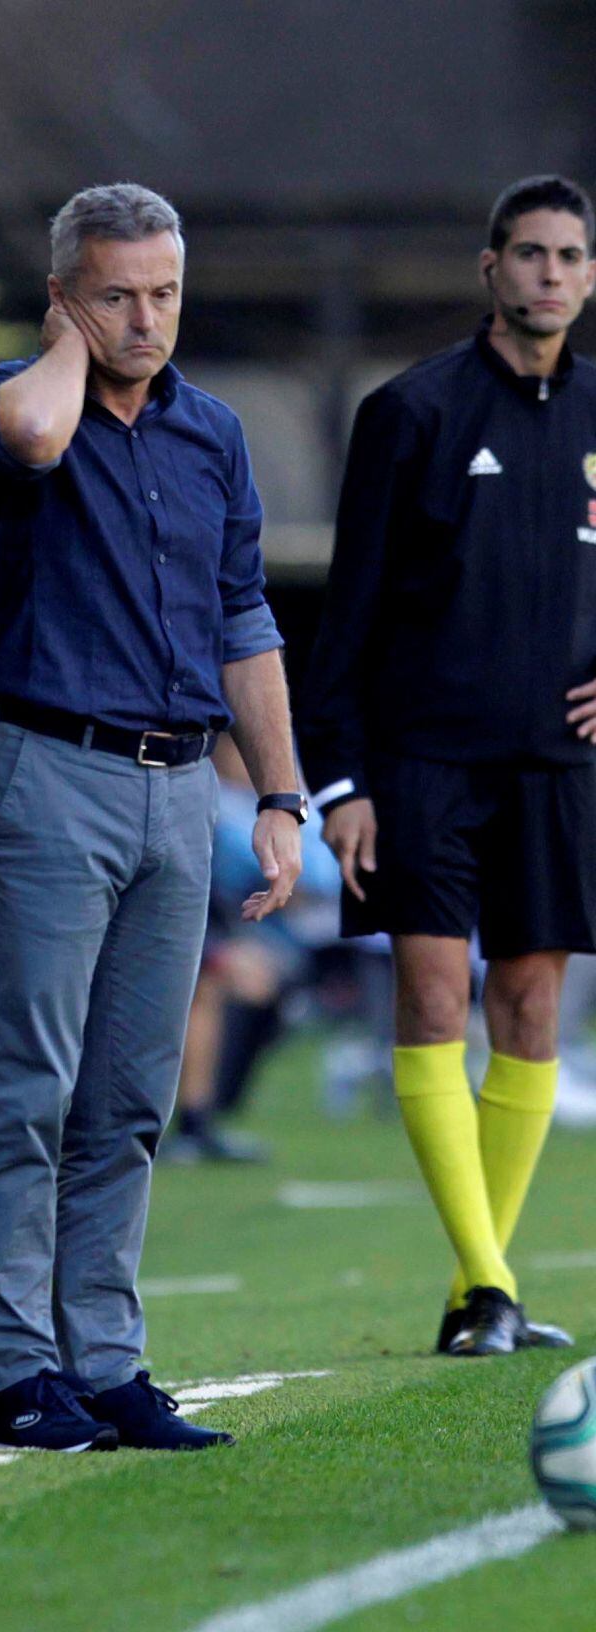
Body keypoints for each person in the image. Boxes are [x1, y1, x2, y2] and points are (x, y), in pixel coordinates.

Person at [0, 182, 303, 1452]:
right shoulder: (5, 399)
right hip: (51, 771)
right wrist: (64, 346)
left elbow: (243, 618)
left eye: (163, 292)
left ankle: (105, 1364)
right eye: (116, 295)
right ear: (64, 297)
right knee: (28, 1092)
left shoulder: (212, 432)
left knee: (129, 1101)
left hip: (177, 789)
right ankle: (18, 1373)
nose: (146, 318)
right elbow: (39, 441)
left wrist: (278, 794)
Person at [297, 174, 596, 1357]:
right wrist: (340, 781)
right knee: (432, 999)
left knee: (529, 1010)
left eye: (571, 256)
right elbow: (347, 615)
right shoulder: (411, 412)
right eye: (530, 254)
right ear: (490, 268)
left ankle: (486, 1290)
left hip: (556, 766)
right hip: (422, 763)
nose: (551, 274)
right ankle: (487, 1280)